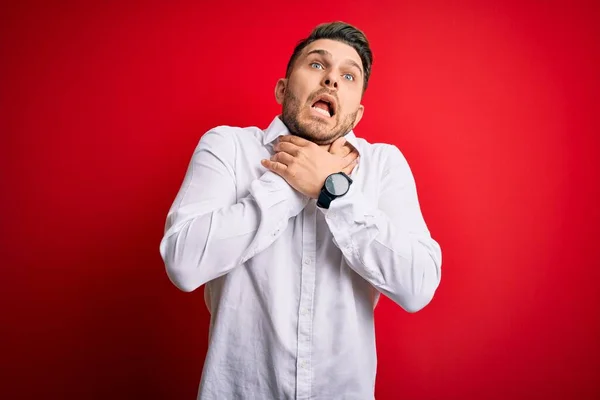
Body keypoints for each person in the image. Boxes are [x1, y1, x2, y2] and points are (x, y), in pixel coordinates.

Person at [159, 21, 442, 400]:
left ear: (356, 115)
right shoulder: (227, 147)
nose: (331, 80)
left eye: (348, 75)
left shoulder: (384, 166)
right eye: (316, 65)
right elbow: (183, 262)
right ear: (282, 88)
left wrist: (333, 193)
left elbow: (418, 285)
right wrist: (290, 184)